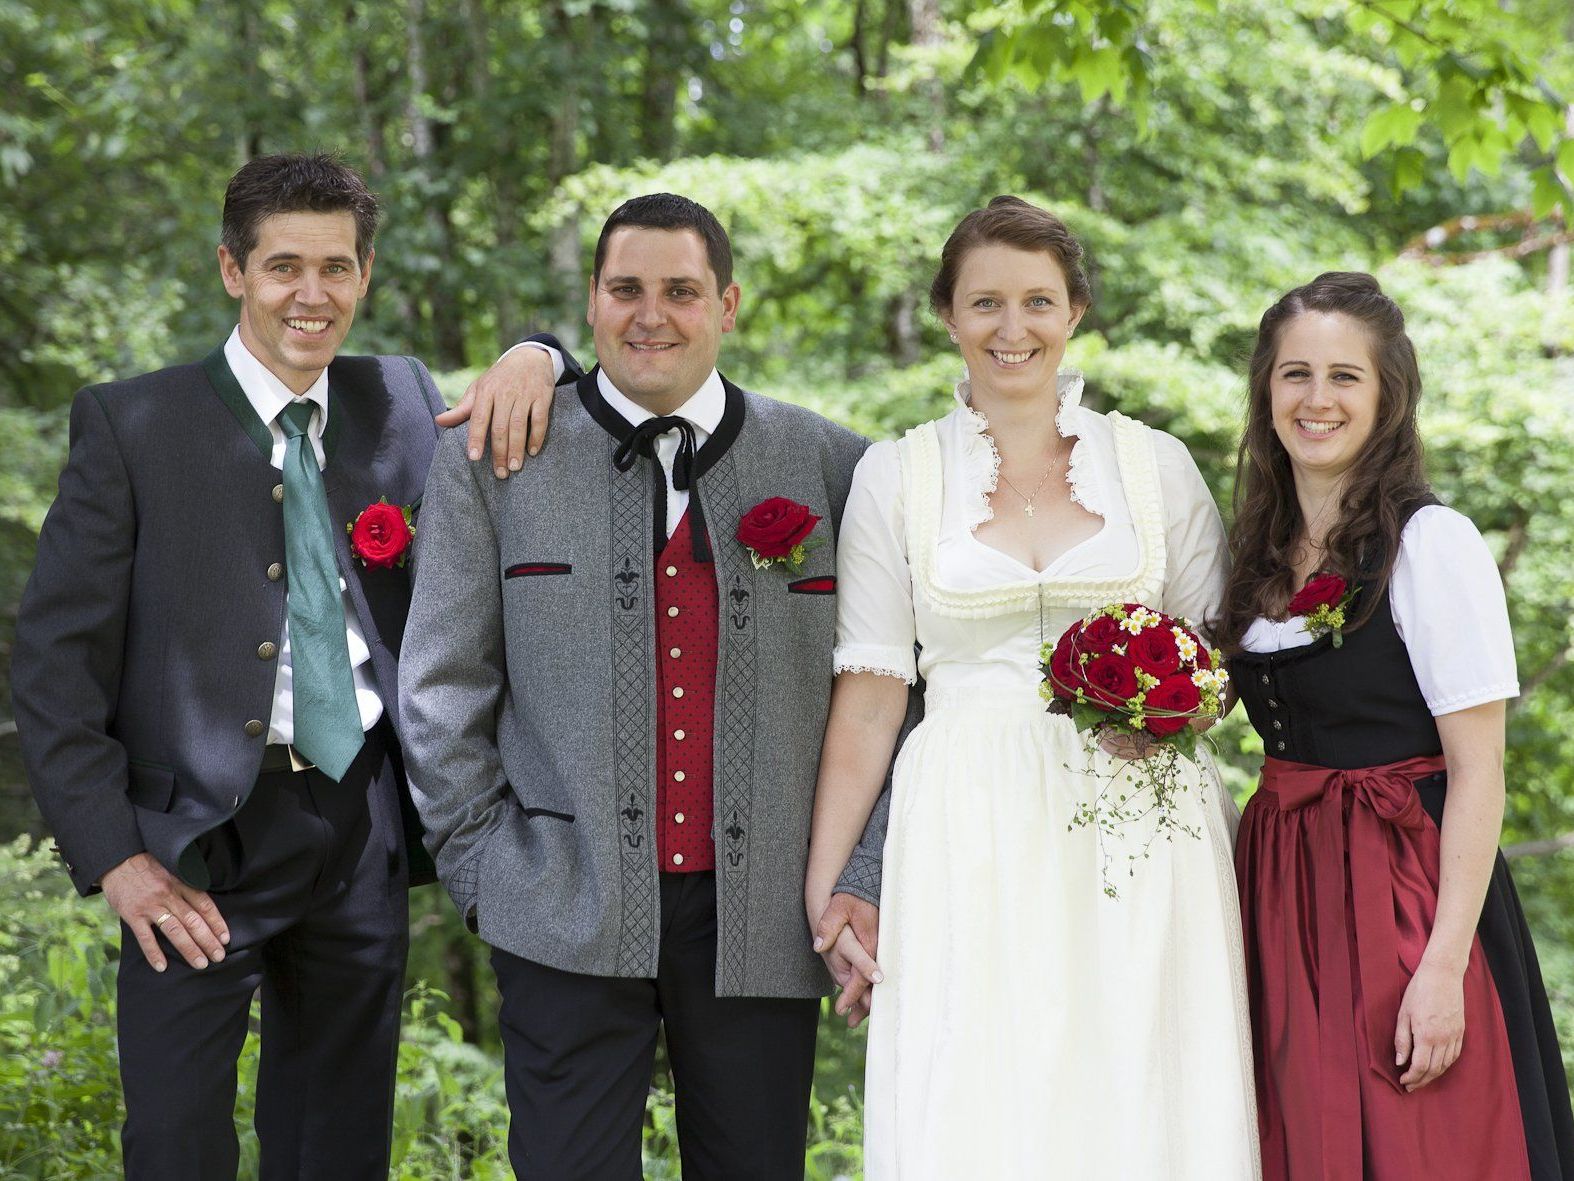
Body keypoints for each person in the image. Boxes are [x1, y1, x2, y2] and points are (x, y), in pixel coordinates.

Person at [9, 152, 560, 1180]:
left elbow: (536, 397)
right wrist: (118, 856)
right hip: (195, 840)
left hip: (362, 823)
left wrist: (537, 349)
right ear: (233, 271)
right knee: (175, 1141)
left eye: (338, 268)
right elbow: (51, 668)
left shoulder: (398, 398)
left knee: (337, 1139)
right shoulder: (133, 424)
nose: (313, 294)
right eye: (284, 267)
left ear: (362, 276)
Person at [399, 192, 883, 1180]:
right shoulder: (493, 458)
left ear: (729, 304)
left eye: (680, 290)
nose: (649, 313)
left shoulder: (835, 466)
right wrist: (484, 869)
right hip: (558, 898)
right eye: (625, 288)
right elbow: (440, 686)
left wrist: (859, 875)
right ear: (590, 301)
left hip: (761, 917)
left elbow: (894, 698)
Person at [804, 195, 1259, 1178]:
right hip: (965, 821)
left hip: (1144, 822)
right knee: (975, 1089)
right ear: (947, 316)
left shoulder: (1154, 467)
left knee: (1146, 1084)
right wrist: (830, 880)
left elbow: (1217, 665)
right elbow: (872, 695)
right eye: (985, 303)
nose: (1012, 328)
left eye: (1037, 301)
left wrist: (1169, 714)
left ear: (1075, 310)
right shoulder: (897, 475)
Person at [1216, 271, 1574, 1180]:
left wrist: (1445, 967)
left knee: (1426, 1143)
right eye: (1295, 373)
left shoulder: (1431, 544)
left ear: (1387, 395)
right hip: (1284, 889)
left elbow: (1479, 770)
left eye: (1346, 376)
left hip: (1405, 887)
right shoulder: (1254, 554)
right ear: (1266, 390)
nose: (1317, 398)